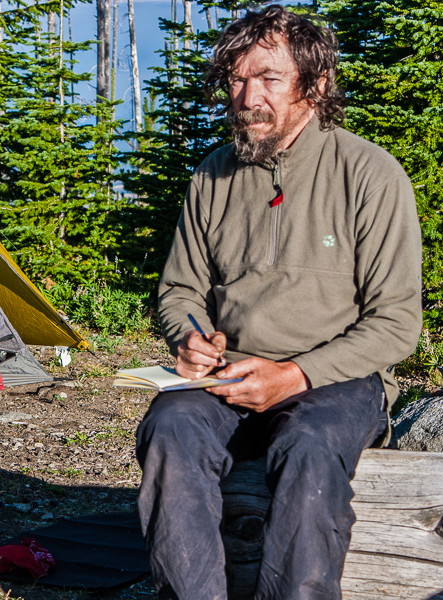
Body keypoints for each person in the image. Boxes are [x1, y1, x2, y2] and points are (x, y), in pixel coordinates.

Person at [134, 6, 422, 600]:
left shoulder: (370, 173)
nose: (246, 96)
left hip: (335, 380)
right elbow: (181, 289)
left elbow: (396, 324)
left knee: (310, 441)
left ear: (314, 85)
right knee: (169, 425)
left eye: (267, 78)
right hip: (228, 376)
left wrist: (295, 374)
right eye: (237, 79)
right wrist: (190, 336)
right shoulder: (213, 174)